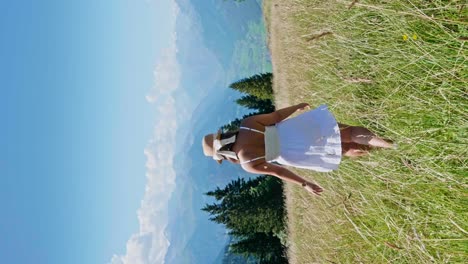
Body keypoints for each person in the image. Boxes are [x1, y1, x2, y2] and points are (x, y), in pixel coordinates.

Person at [202, 103, 394, 196]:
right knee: (347, 132)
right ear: (224, 136)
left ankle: (382, 150)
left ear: (224, 155)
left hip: (294, 153)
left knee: (342, 150)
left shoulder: (247, 162)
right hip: (294, 130)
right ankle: (389, 144)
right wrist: (298, 107)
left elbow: (278, 171)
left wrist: (305, 183)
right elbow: (276, 115)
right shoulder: (247, 124)